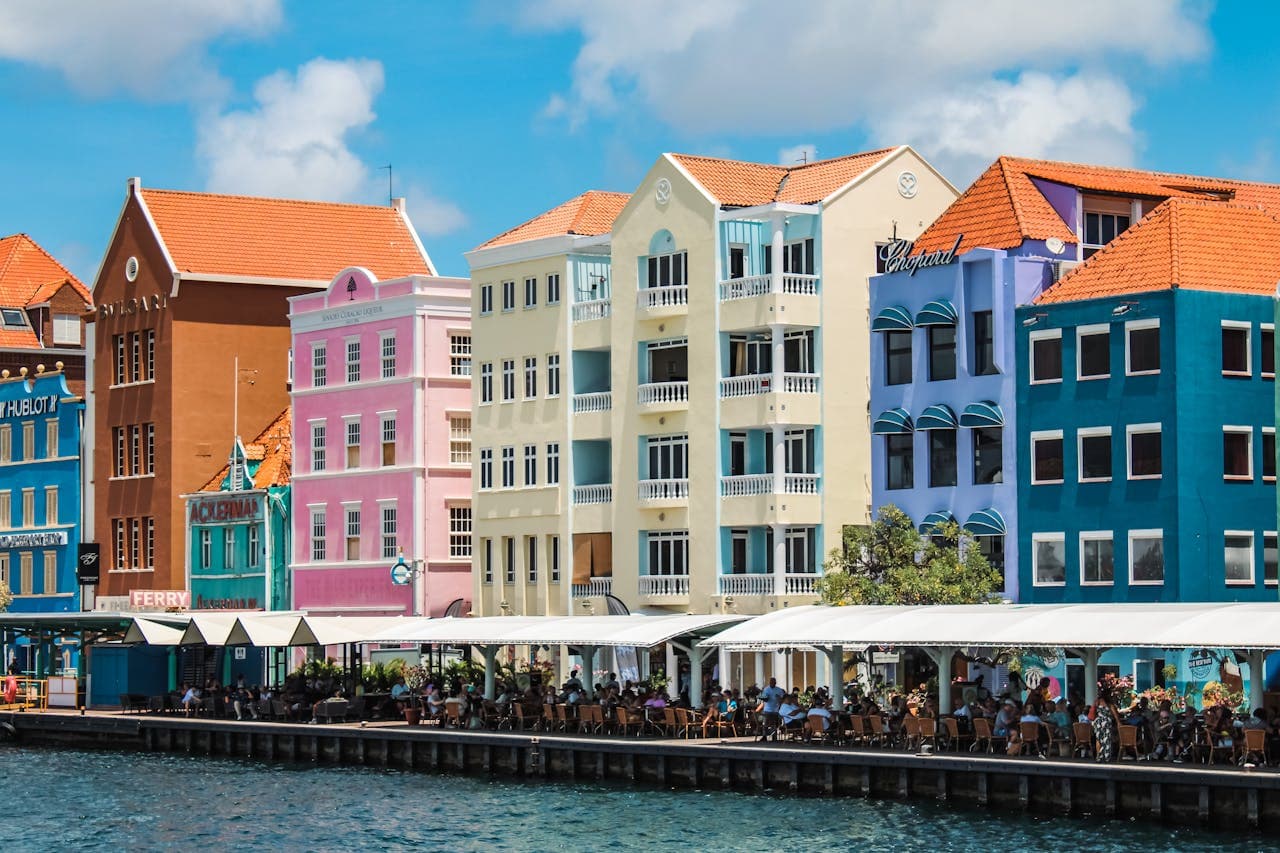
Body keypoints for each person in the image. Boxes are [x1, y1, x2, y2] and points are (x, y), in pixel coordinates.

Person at [756, 677, 786, 742]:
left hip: (776, 710)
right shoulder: (766, 689)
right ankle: (764, 736)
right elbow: (763, 699)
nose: (772, 683)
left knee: (775, 723)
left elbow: (783, 700)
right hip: (767, 709)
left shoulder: (779, 690)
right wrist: (765, 698)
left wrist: (779, 699)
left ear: (775, 683)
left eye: (773, 682)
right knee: (765, 722)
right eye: (771, 682)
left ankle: (774, 736)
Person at [1092, 696, 1118, 762]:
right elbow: (1115, 715)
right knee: (1106, 739)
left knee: (1098, 739)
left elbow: (1093, 711)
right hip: (1106, 722)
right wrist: (1118, 722)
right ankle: (1106, 756)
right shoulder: (1109, 705)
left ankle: (1098, 756)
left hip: (1098, 722)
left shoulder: (1097, 702)